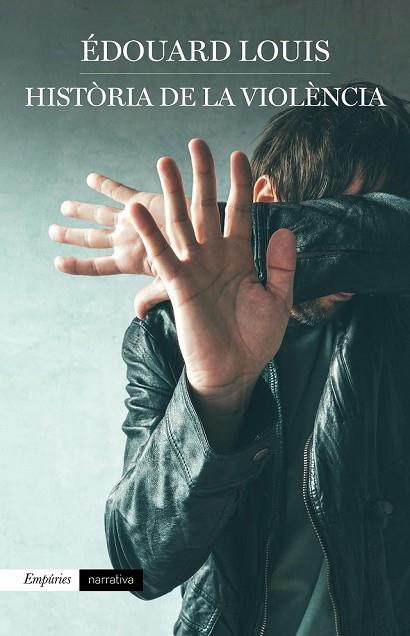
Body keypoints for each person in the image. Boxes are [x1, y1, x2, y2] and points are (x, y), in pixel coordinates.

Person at [49, 82, 410, 635]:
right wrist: (214, 395)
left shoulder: (393, 314)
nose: (353, 272)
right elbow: (137, 566)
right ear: (267, 197)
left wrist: (234, 235)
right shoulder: (167, 335)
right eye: (342, 210)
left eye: (366, 218)